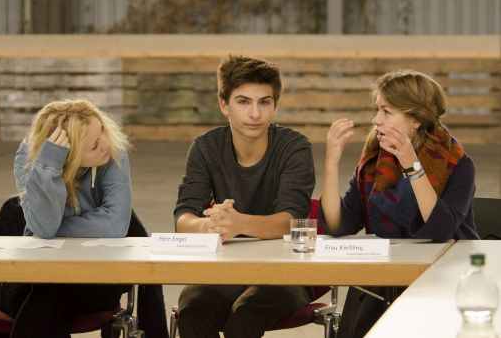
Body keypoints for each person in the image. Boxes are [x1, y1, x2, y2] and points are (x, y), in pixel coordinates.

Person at [320, 69, 479, 338]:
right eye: (377, 109)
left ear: (415, 119)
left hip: (445, 281)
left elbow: (440, 231)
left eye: (386, 111)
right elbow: (338, 226)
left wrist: (411, 165)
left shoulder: (458, 164)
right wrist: (331, 162)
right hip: (383, 279)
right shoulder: (373, 162)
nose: (375, 119)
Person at [0, 99, 169, 338]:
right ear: (69, 155)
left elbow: (116, 224)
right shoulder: (32, 157)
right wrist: (49, 169)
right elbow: (46, 226)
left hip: (99, 274)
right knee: (13, 215)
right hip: (42, 274)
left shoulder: (112, 152)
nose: (106, 144)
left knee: (50, 294)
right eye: (94, 145)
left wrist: (48, 228)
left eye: (103, 133)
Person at [174, 55, 316, 338]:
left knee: (244, 317)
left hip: (285, 272)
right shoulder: (205, 148)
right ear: (223, 105)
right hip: (225, 269)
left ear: (274, 106)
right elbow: (183, 217)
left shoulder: (294, 147)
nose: (255, 113)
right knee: (191, 312)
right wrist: (207, 226)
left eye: (264, 102)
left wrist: (239, 224)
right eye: (243, 102)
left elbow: (292, 220)